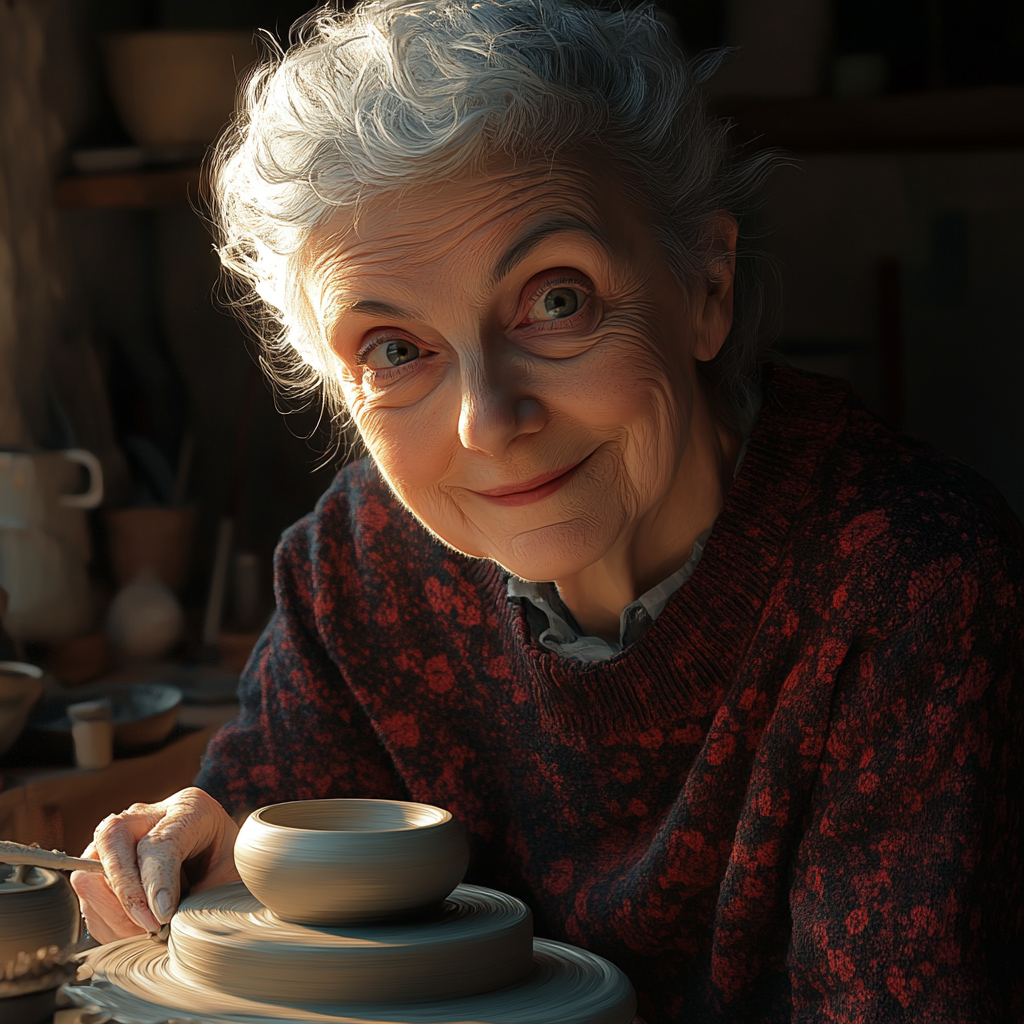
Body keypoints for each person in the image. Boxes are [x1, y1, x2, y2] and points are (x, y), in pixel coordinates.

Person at [71, 0, 1024, 1020]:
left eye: (554, 298)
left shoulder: (909, 586)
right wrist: (201, 856)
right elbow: (264, 855)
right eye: (396, 349)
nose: (487, 420)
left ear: (705, 286)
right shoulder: (362, 568)